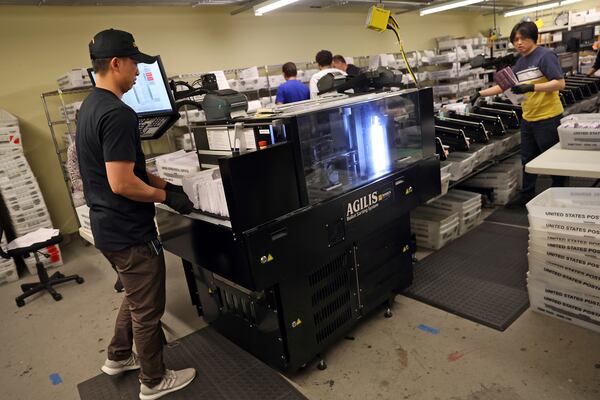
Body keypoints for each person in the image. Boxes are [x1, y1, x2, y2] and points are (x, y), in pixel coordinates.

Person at [76, 28, 196, 400]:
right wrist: (165, 196)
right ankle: (154, 380)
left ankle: (117, 357)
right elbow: (122, 183)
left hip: (107, 227)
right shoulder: (117, 113)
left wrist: (167, 184)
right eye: (134, 65)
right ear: (116, 64)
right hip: (129, 230)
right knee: (148, 309)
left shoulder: (90, 107)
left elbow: (130, 168)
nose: (138, 73)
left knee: (134, 295)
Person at [469, 21, 566, 208]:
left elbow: (560, 83)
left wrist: (532, 87)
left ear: (533, 37)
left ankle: (559, 194)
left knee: (553, 159)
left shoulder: (545, 56)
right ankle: (527, 196)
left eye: (522, 38)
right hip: (528, 118)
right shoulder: (520, 61)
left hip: (548, 117)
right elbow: (505, 85)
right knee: (527, 159)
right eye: (515, 40)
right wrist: (479, 93)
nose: (519, 43)